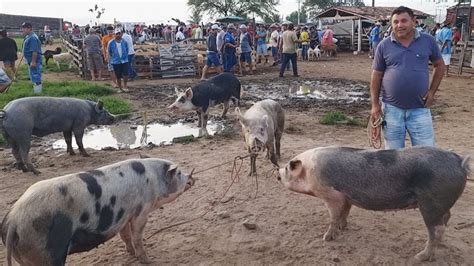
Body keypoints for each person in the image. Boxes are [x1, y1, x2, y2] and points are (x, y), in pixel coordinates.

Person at [370, 6, 445, 149]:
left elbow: (439, 65)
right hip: (391, 110)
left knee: (426, 153)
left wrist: (432, 92)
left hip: (420, 108)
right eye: (395, 22)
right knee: (393, 157)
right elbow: (376, 74)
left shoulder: (427, 41)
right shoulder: (383, 45)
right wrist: (375, 105)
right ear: (391, 24)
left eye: (404, 21)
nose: (399, 25)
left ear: (414, 21)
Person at [21, 22, 43, 93]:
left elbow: (34, 51)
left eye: (25, 28)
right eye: (23, 28)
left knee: (35, 75)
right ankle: (36, 91)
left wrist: (33, 62)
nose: (23, 30)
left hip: (35, 60)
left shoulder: (33, 38)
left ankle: (38, 92)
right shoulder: (29, 36)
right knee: (33, 75)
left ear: (30, 28)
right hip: (30, 60)